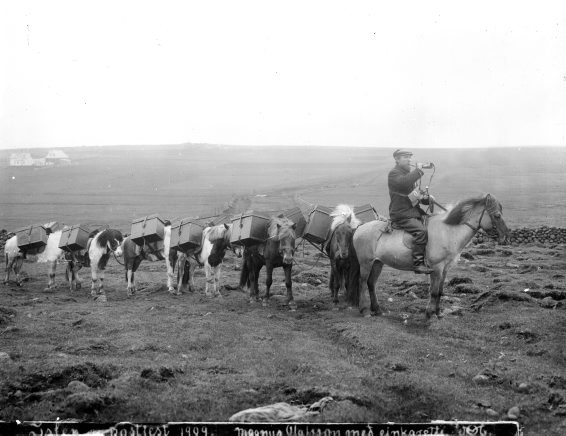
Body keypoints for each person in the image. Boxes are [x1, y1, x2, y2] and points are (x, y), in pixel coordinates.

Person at [388, 149, 433, 274]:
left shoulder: (407, 174)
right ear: (397, 159)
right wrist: (418, 170)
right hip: (401, 213)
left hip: (412, 211)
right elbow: (404, 183)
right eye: (405, 157)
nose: (409, 160)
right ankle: (418, 264)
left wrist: (427, 199)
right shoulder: (394, 173)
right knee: (421, 231)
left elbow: (413, 196)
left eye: (410, 157)